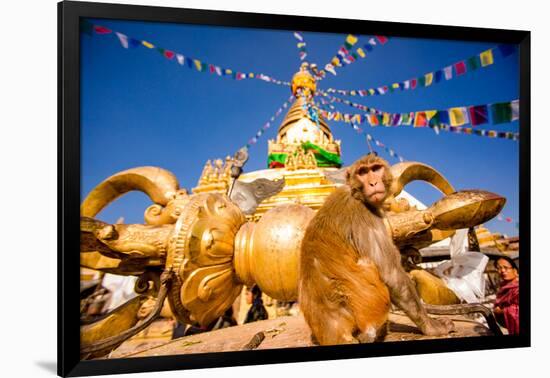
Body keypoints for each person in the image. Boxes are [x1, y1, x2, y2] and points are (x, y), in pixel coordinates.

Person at [493, 256, 519, 335]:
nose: (502, 271)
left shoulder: (517, 288)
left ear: (515, 270)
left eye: (506, 267)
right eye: (499, 268)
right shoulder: (503, 287)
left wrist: (502, 311)